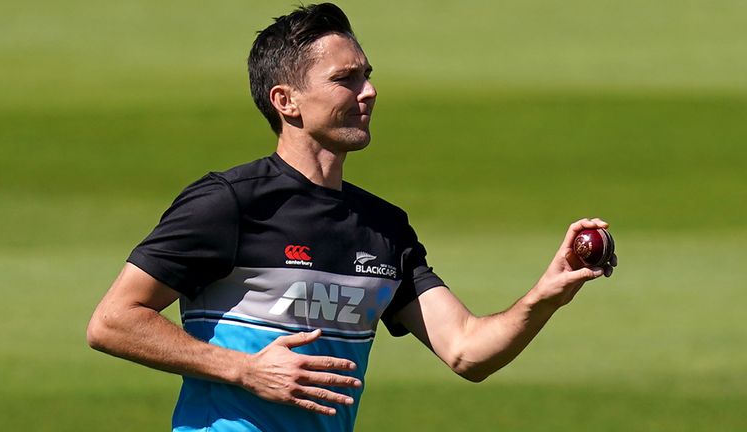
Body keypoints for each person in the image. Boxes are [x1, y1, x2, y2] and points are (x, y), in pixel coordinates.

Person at [87, 3, 617, 431]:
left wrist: (547, 294)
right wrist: (246, 370)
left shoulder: (383, 228)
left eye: (367, 76)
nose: (369, 91)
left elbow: (466, 352)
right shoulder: (230, 203)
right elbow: (112, 322)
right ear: (286, 101)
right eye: (346, 79)